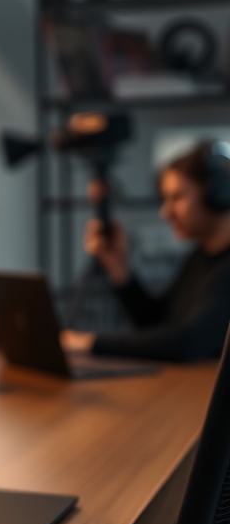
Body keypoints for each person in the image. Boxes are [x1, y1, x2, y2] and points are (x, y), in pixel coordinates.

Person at [60, 141, 230, 362]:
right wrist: (120, 271)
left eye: (177, 197)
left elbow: (187, 343)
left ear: (218, 193)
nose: (165, 212)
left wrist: (91, 343)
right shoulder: (201, 257)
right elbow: (157, 323)